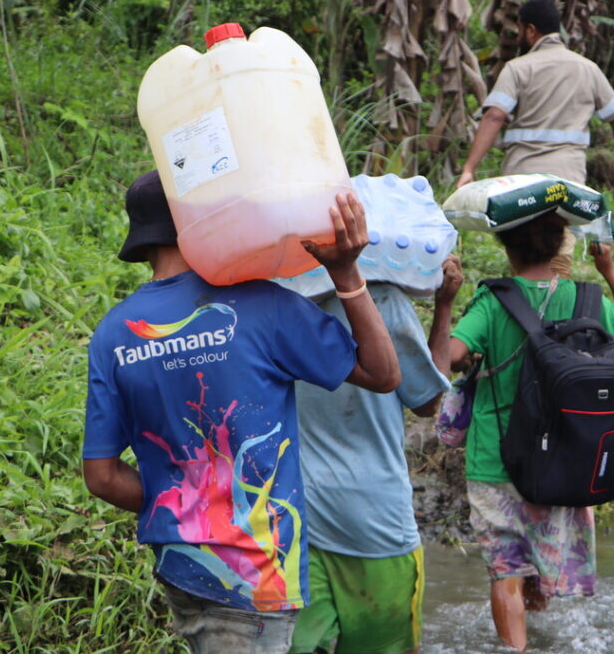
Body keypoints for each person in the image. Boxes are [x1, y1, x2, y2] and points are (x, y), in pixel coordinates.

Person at [82, 170, 400, 653]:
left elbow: (102, 476)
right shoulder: (260, 305)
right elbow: (381, 374)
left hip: (180, 567)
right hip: (255, 574)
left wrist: (184, 510)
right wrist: (346, 274)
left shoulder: (113, 333)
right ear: (198, 224)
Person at [442, 211, 614, 652]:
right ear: (561, 247)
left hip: (496, 460)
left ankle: (516, 647)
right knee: (538, 564)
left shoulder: (493, 302)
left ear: (505, 247)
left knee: (506, 569)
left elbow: (447, 357)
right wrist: (608, 271)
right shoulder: (588, 300)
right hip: (566, 456)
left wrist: (444, 303)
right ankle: (536, 633)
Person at [288, 258, 463, 654]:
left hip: (297, 519)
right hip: (375, 521)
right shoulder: (383, 299)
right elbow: (428, 401)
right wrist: (444, 307)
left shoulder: (273, 303)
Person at [456, 0, 614, 278]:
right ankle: (557, 300)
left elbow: (494, 116)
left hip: (521, 180)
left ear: (530, 30)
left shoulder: (518, 68)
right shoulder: (587, 69)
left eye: (520, 29)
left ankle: (526, 309)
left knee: (522, 248)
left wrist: (469, 169)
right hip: (566, 181)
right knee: (560, 246)